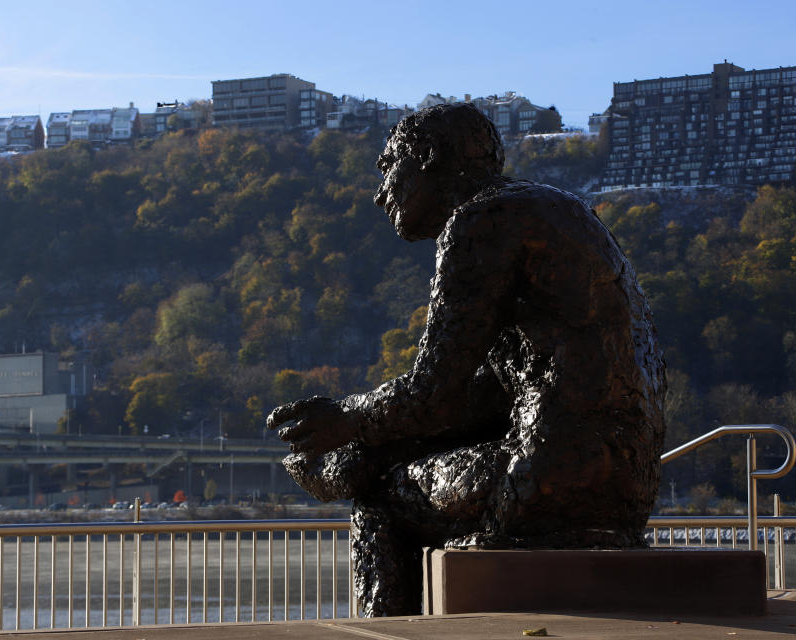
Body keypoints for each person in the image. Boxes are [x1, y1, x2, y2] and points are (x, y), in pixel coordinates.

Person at [268, 103, 666, 616]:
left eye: (389, 167)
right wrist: (356, 453)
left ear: (428, 158)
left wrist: (343, 424)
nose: (380, 192)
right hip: (623, 489)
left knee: (382, 502)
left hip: (543, 479)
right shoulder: (551, 214)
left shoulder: (480, 222)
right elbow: (482, 401)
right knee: (374, 469)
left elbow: (434, 394)